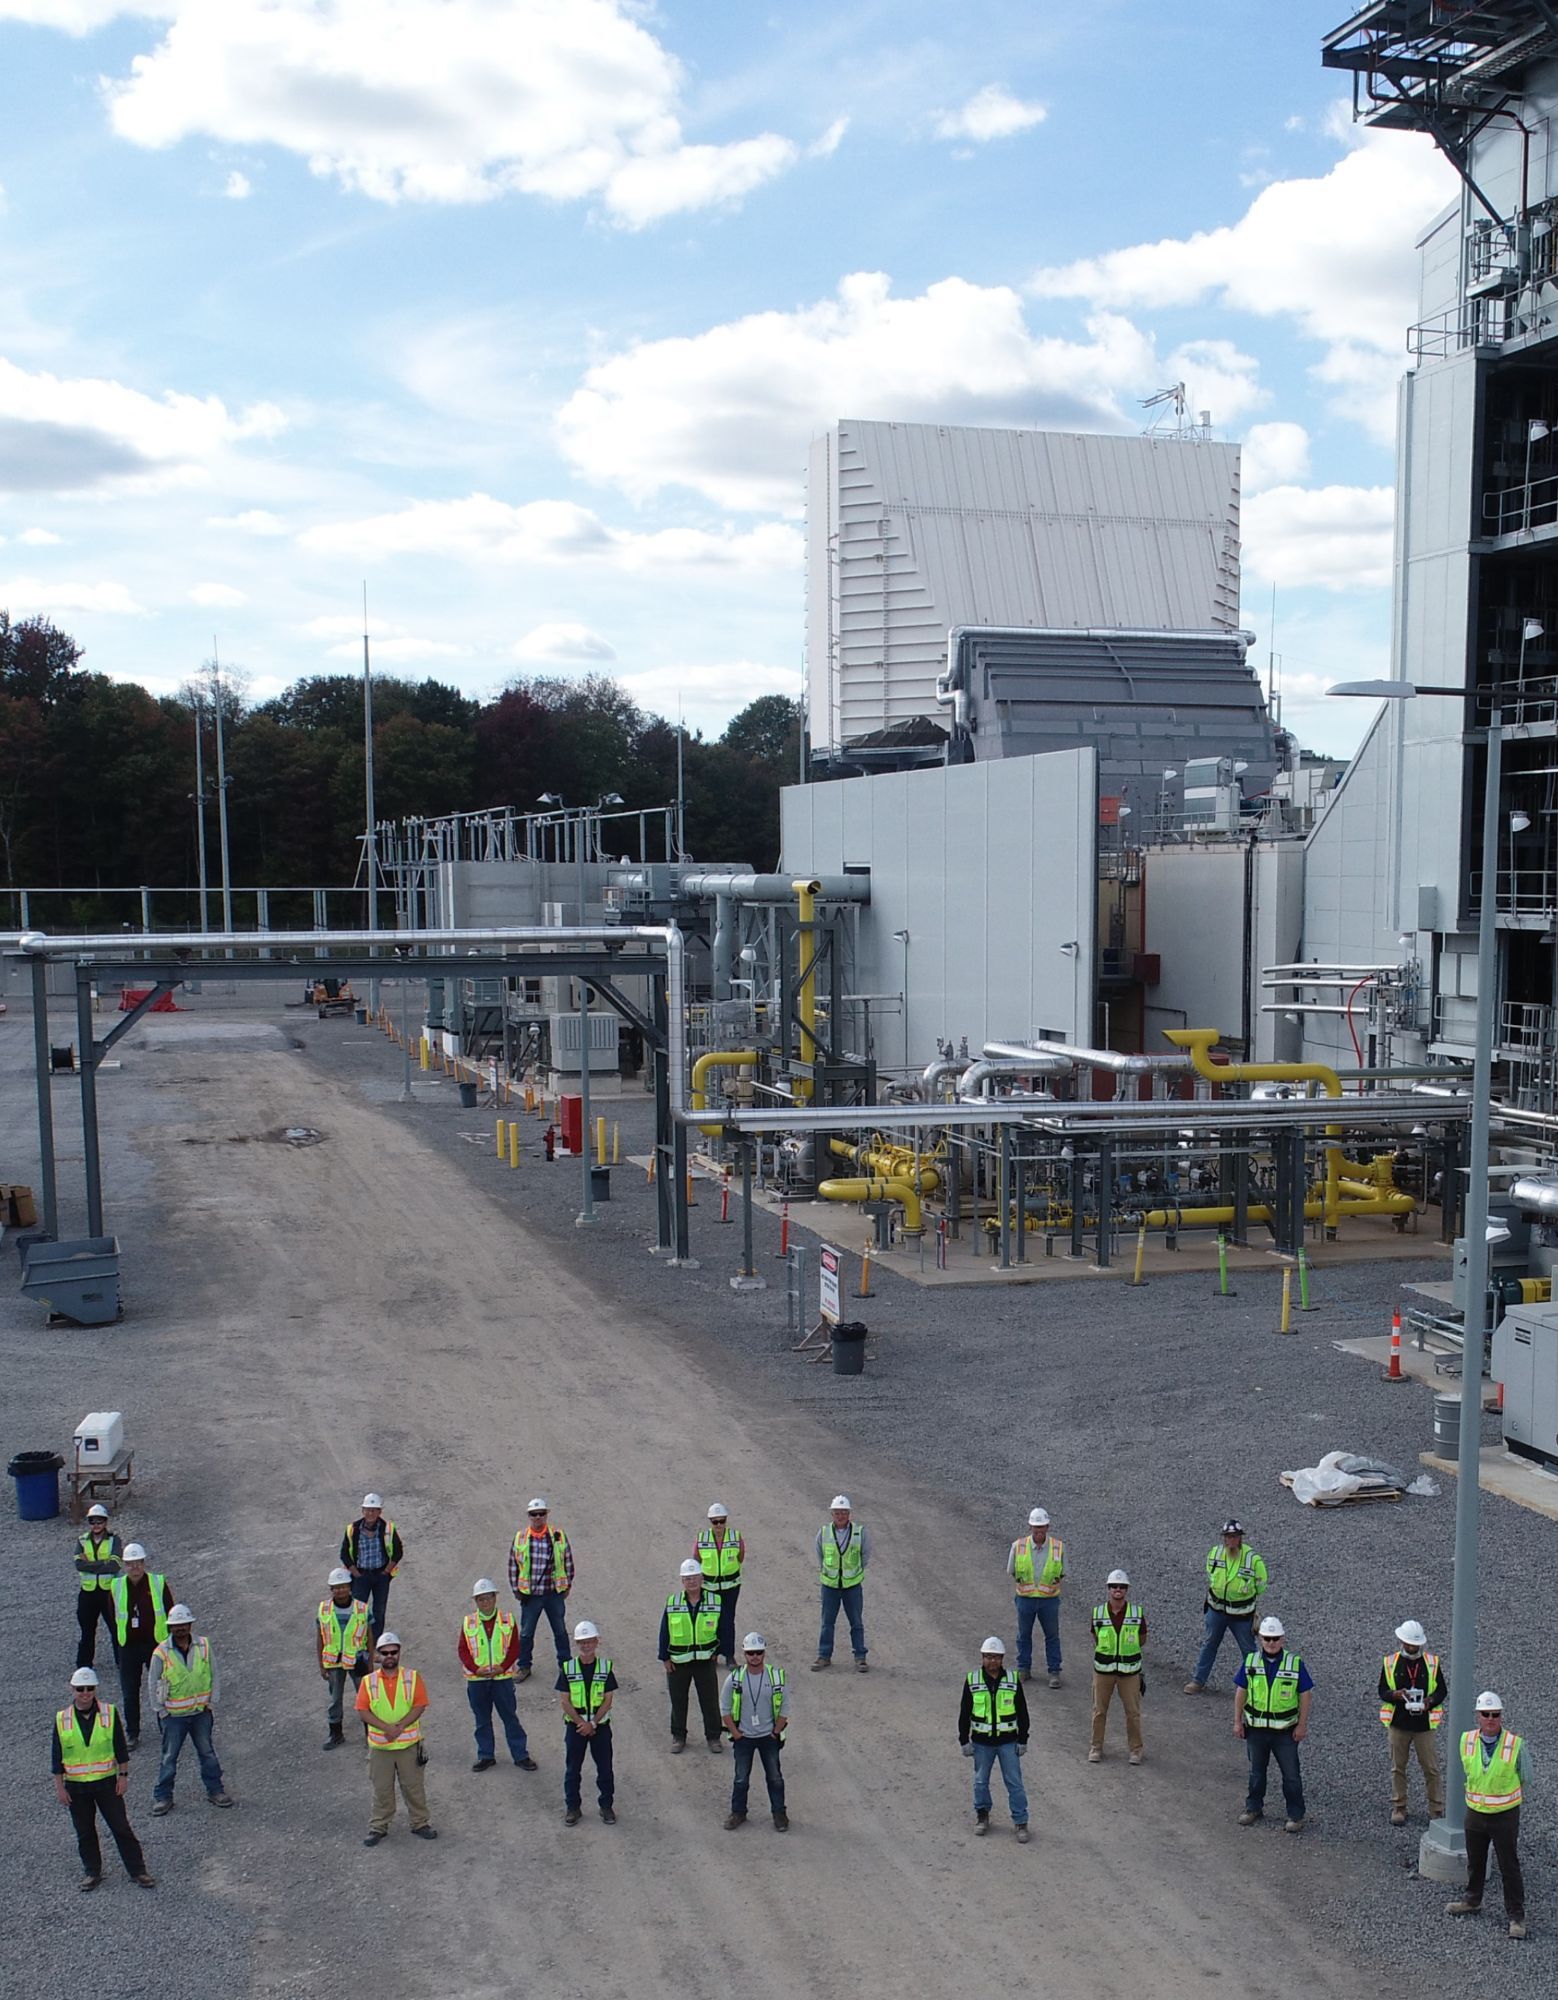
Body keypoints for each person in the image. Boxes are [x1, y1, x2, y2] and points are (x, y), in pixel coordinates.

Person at [52, 1667, 155, 1892]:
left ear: (95, 1689)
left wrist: (123, 1776)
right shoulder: (62, 1719)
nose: (85, 1693)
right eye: (81, 1689)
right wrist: (60, 1788)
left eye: (89, 1688)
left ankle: (138, 1870)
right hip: (77, 1788)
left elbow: (120, 1747)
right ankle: (92, 1871)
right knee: (85, 1831)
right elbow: (57, 1757)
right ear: (73, 1690)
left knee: (121, 1828)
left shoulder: (109, 1713)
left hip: (107, 1784)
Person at [1447, 1691, 1529, 1939]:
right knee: (1476, 1860)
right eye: (1486, 1714)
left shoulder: (1515, 1744)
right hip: (1475, 1813)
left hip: (1504, 1815)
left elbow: (1526, 1776)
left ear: (1501, 1716)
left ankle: (1516, 1916)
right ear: (1478, 1716)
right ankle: (1473, 1900)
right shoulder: (1467, 1740)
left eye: (1495, 1714)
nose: (1491, 1719)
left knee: (1509, 1866)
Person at [149, 1605, 233, 1814]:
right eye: (176, 1626)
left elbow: (214, 1672)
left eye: (183, 1625)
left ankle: (216, 1790)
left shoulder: (203, 1645)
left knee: (207, 1753)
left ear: (190, 1625)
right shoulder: (161, 1653)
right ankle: (163, 1796)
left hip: (200, 1713)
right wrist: (161, 1711)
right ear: (171, 1627)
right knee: (169, 1757)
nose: (180, 1629)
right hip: (174, 1716)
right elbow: (152, 1682)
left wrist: (212, 1701)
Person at [1234, 1614, 1312, 1833]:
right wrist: (1237, 1722)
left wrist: (1302, 1725)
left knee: (1291, 1776)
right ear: (1260, 1639)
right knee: (1256, 1773)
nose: (1271, 1643)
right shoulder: (1251, 1662)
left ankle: (1296, 1815)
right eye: (1267, 1638)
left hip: (1285, 1732)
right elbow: (1241, 1692)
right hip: (1256, 1730)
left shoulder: (1294, 1663)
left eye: (1275, 1638)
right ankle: (1253, 1808)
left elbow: (1305, 1695)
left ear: (1283, 1639)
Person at [356, 1633, 437, 1846]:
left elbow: (419, 1705)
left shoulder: (412, 1677)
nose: (390, 1656)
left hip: (408, 1745)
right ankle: (378, 1826)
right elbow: (362, 1710)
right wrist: (387, 1729)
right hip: (381, 1747)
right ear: (378, 1656)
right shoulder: (368, 1681)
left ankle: (420, 1823)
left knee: (414, 1786)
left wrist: (399, 1727)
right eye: (385, 1653)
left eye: (394, 1652)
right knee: (381, 1789)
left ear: (399, 1652)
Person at [459, 1578, 537, 1773]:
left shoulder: (507, 1620)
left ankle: (521, 1755)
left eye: (488, 1598)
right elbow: (463, 1650)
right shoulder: (468, 1622)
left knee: (510, 1717)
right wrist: (476, 1669)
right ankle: (486, 1755)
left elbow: (515, 1647)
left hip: (501, 1679)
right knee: (482, 1720)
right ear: (476, 1602)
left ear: (495, 1599)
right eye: (481, 1600)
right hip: (477, 1680)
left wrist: (503, 1667)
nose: (485, 1603)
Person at [958, 1636, 1030, 1840]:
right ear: (982, 1658)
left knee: (1014, 1783)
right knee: (980, 1782)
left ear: (1002, 1659)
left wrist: (1023, 1739)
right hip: (982, 1743)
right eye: (988, 1657)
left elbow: (1022, 1712)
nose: (992, 1661)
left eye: (996, 1657)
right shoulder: (973, 1681)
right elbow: (965, 1712)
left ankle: (1021, 1822)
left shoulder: (1012, 1680)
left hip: (1008, 1742)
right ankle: (982, 1816)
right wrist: (964, 1740)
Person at [1185, 1519, 1267, 1694]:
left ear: (1240, 1538)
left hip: (1242, 1615)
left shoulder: (1253, 1560)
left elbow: (1261, 1584)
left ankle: (1258, 1687)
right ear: (1223, 1538)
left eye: (1235, 1537)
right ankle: (1198, 1681)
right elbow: (1210, 1574)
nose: (1231, 1540)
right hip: (1216, 1610)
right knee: (1209, 1644)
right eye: (1228, 1537)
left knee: (1249, 1652)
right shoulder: (1215, 1554)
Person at [1379, 1618, 1446, 1826]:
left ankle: (1436, 1809)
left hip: (1424, 1726)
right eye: (1410, 1644)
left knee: (1431, 1769)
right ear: (1402, 1641)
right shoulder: (1390, 1663)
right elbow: (1382, 1691)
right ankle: (1399, 1806)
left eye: (1416, 1645)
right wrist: (1396, 1695)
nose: (1413, 1647)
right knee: (1398, 1768)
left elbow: (1442, 1691)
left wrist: (1429, 1701)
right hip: (1398, 1724)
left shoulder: (1432, 1663)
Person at [109, 1543, 174, 1750]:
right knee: (129, 1691)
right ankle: (132, 1733)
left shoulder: (157, 1583)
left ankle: (165, 1727)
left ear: (144, 1563)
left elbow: (170, 1611)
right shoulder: (116, 1586)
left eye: (138, 1563)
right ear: (124, 1566)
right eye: (130, 1564)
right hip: (128, 1647)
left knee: (160, 1688)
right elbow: (112, 1616)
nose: (134, 1567)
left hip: (155, 1646)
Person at [722, 1632, 789, 1831]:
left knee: (775, 1777)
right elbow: (724, 1708)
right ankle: (738, 1813)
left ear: (764, 1653)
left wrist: (775, 1732)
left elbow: (785, 1708)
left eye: (758, 1652)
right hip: (744, 1737)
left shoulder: (775, 1677)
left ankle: (779, 1814)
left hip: (768, 1737)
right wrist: (736, 1733)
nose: (755, 1657)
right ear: (744, 1654)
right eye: (751, 1653)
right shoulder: (734, 1679)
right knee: (741, 1778)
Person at [658, 1558, 724, 1752]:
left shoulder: (715, 1601)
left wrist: (717, 1651)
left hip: (705, 1661)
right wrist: (665, 1657)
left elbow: (723, 1628)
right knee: (678, 1702)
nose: (692, 1581)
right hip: (678, 1663)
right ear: (682, 1581)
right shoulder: (673, 1602)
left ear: (702, 1578)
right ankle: (678, 1737)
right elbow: (664, 1632)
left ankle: (713, 1738)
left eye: (695, 1577)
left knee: (710, 1701)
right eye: (688, 1578)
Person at [559, 1619, 617, 1826]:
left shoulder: (605, 1667)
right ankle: (573, 1808)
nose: (585, 1646)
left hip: (599, 1727)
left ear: (596, 1642)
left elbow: (608, 1699)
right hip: (575, 1727)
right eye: (582, 1642)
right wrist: (581, 1723)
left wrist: (592, 1723)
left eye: (589, 1641)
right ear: (577, 1644)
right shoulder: (568, 1668)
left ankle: (606, 1806)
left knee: (605, 1769)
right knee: (573, 1770)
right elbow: (565, 1701)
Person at [509, 1496, 573, 1681]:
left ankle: (565, 1664)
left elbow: (568, 1561)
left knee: (560, 1630)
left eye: (541, 1514)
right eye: (534, 1514)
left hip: (553, 1593)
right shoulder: (520, 1538)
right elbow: (513, 1565)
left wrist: (566, 1585)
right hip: (531, 1596)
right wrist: (517, 1590)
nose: (537, 1517)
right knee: (527, 1633)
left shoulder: (557, 1536)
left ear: (547, 1514)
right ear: (529, 1516)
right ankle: (524, 1666)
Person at [1090, 1570, 1146, 1765]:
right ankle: (1096, 1748)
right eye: (1114, 1586)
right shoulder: (1097, 1613)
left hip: (1129, 1672)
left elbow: (1142, 1639)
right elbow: (1095, 1637)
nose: (1118, 1590)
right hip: (1103, 1671)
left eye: (1122, 1587)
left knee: (1133, 1713)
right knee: (1099, 1711)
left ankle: (1136, 1750)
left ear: (1127, 1590)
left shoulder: (1137, 1613)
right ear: (1108, 1589)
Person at [317, 1566, 373, 1750]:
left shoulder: (362, 1609)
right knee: (335, 1699)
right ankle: (336, 1733)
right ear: (331, 1589)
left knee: (365, 1698)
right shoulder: (324, 1610)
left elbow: (370, 1637)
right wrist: (321, 1665)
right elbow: (320, 1638)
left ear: (350, 1587)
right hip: (333, 1662)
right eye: (336, 1587)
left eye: (343, 1586)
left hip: (357, 1661)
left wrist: (370, 1662)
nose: (340, 1590)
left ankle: (370, 1734)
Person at [1009, 1506, 1064, 1687]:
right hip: (1025, 1599)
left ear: (1047, 1527)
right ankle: (1024, 1669)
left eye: (1042, 1527)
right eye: (1036, 1527)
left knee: (1052, 1636)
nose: (1039, 1531)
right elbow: (1012, 1570)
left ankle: (1054, 1671)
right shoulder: (1018, 1547)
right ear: (1030, 1527)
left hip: (1049, 1601)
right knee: (1024, 1635)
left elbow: (1063, 1571)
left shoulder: (1058, 1548)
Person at [814, 1494, 870, 1672]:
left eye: (844, 1512)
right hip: (830, 1586)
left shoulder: (859, 1533)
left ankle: (860, 1657)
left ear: (849, 1514)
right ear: (832, 1514)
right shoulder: (823, 1533)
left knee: (856, 1622)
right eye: (837, 1512)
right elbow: (819, 1554)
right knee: (827, 1622)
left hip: (851, 1586)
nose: (840, 1516)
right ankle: (824, 1656)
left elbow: (865, 1555)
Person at [339, 1493, 403, 1641]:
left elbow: (398, 1551)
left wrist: (386, 1571)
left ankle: (375, 1643)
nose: (370, 1513)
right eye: (368, 1509)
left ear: (380, 1512)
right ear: (362, 1510)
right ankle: (357, 1639)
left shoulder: (387, 1529)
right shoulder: (353, 1529)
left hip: (380, 1576)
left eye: (374, 1510)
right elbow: (344, 1554)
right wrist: (356, 1573)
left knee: (379, 1611)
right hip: (361, 1576)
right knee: (358, 1610)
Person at [74, 1504, 123, 1670]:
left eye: (99, 1521)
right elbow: (79, 1565)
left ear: (105, 1522)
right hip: (87, 1593)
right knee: (87, 1631)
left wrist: (91, 1564)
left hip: (108, 1592)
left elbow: (115, 1565)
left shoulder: (114, 1540)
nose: (96, 1525)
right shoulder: (81, 1540)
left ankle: (122, 1661)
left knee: (116, 1628)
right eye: (93, 1522)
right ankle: (84, 1664)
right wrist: (103, 1563)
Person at [697, 1502, 746, 1666]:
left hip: (730, 1587)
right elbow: (697, 1560)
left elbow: (740, 1557)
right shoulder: (702, 1538)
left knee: (728, 1620)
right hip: (709, 1588)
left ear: (726, 1520)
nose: (719, 1525)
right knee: (712, 1621)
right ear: (710, 1522)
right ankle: (713, 1654)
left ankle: (729, 1655)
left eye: (721, 1521)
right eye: (715, 1521)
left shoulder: (735, 1537)